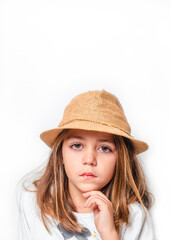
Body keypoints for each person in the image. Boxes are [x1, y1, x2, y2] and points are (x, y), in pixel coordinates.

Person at [16, 89, 154, 240]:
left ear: (121, 160)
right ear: (60, 154)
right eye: (77, 146)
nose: (89, 160)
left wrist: (110, 234)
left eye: (104, 148)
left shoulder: (134, 216)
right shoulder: (34, 203)